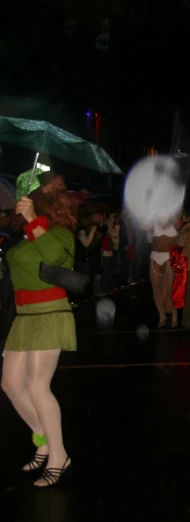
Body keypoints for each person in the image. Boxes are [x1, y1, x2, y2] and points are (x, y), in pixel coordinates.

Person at [1, 170, 77, 487]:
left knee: (36, 385)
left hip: (49, 313)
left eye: (30, 198)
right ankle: (43, 439)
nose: (23, 202)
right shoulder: (28, 235)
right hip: (24, 316)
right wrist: (26, 225)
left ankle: (59, 454)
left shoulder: (60, 234)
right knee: (10, 384)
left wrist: (34, 221)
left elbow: (54, 258)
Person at [150, 215, 178, 327]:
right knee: (156, 288)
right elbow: (143, 226)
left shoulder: (175, 223)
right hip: (155, 256)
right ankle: (162, 316)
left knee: (171, 288)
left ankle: (174, 316)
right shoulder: (153, 223)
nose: (163, 213)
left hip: (169, 256)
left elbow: (179, 225)